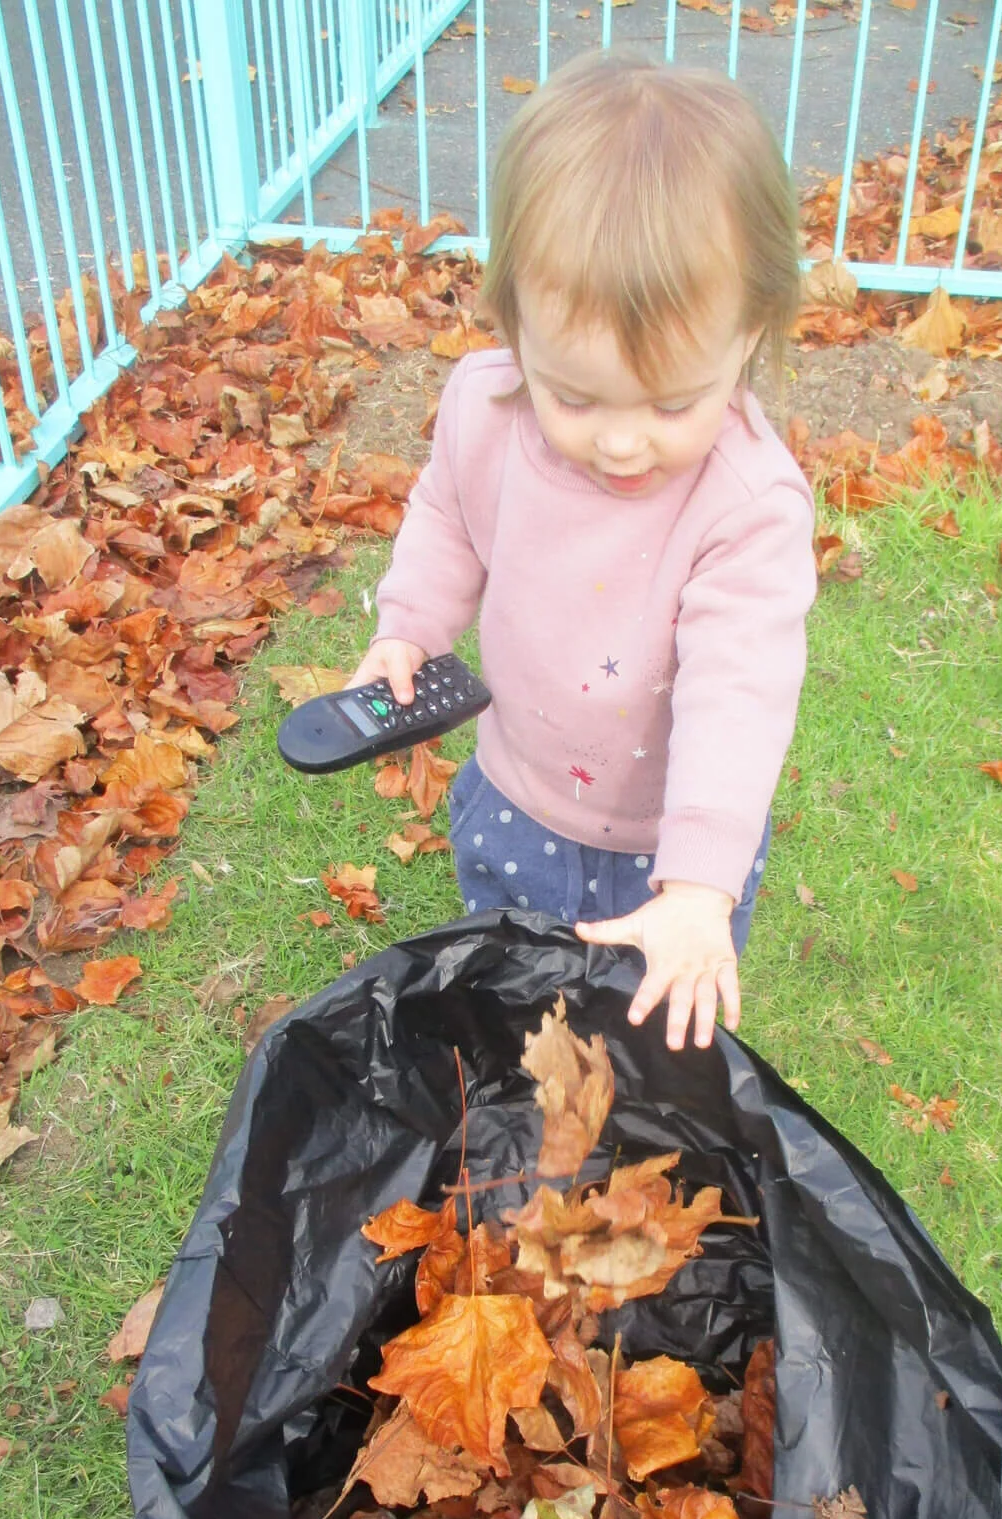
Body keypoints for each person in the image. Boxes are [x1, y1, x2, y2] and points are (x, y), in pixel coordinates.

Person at [347, 48, 817, 1051]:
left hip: (669, 848)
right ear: (514, 320)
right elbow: (445, 517)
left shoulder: (747, 504)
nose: (620, 440)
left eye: (674, 401)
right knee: (518, 1005)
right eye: (573, 394)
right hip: (513, 797)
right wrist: (409, 630)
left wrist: (697, 884)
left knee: (647, 1047)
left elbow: (741, 691)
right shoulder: (484, 407)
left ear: (752, 331)